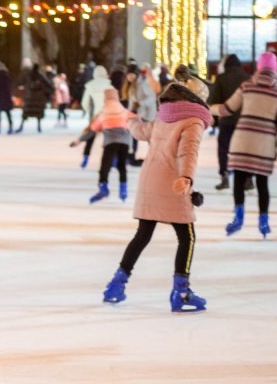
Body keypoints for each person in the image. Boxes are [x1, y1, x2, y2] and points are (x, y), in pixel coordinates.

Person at [100, 83, 212, 312]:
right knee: (187, 237)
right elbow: (188, 152)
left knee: (143, 234)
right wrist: (187, 177)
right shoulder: (193, 120)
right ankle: (181, 292)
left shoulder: (166, 115)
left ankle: (115, 285)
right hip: (173, 182)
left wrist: (131, 120)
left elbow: (142, 131)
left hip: (149, 180)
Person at [213, 52, 277, 238]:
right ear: (276, 69)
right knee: (262, 183)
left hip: (242, 141)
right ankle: (264, 221)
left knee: (239, 180)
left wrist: (207, 108)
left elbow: (227, 109)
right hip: (265, 144)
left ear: (259, 68)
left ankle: (238, 216)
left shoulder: (246, 86)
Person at [82, 87, 135, 204]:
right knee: (122, 166)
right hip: (124, 142)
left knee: (104, 166)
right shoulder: (123, 110)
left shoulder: (103, 112)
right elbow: (135, 119)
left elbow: (94, 128)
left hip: (110, 142)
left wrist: (82, 140)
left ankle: (103, 187)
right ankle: (123, 190)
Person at [208, 55, 249, 190]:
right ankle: (248, 178)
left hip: (227, 120)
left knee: (223, 149)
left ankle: (224, 175)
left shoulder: (221, 78)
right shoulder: (248, 78)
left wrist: (214, 121)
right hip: (244, 121)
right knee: (244, 150)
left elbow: (215, 100)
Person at [78, 65, 112, 168]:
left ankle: (85, 157)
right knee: (109, 137)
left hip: (95, 115)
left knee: (91, 136)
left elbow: (85, 102)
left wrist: (88, 110)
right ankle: (112, 159)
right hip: (108, 114)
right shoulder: (109, 85)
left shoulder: (90, 85)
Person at [18, 62, 53, 133]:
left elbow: (22, 82)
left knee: (26, 113)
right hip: (38, 98)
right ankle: (39, 127)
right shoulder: (40, 75)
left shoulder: (28, 75)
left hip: (30, 97)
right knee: (38, 113)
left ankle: (21, 126)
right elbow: (48, 84)